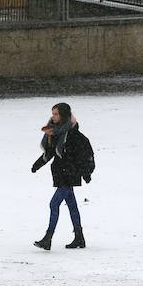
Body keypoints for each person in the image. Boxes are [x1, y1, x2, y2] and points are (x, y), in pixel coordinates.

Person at [31, 102, 95, 250]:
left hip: (69, 174)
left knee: (54, 204)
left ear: (64, 116)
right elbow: (50, 153)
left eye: (56, 114)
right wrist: (37, 165)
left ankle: (48, 238)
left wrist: (86, 173)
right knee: (72, 205)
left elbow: (82, 155)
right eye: (52, 114)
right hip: (60, 174)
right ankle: (79, 238)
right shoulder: (54, 133)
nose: (53, 117)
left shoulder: (73, 135)